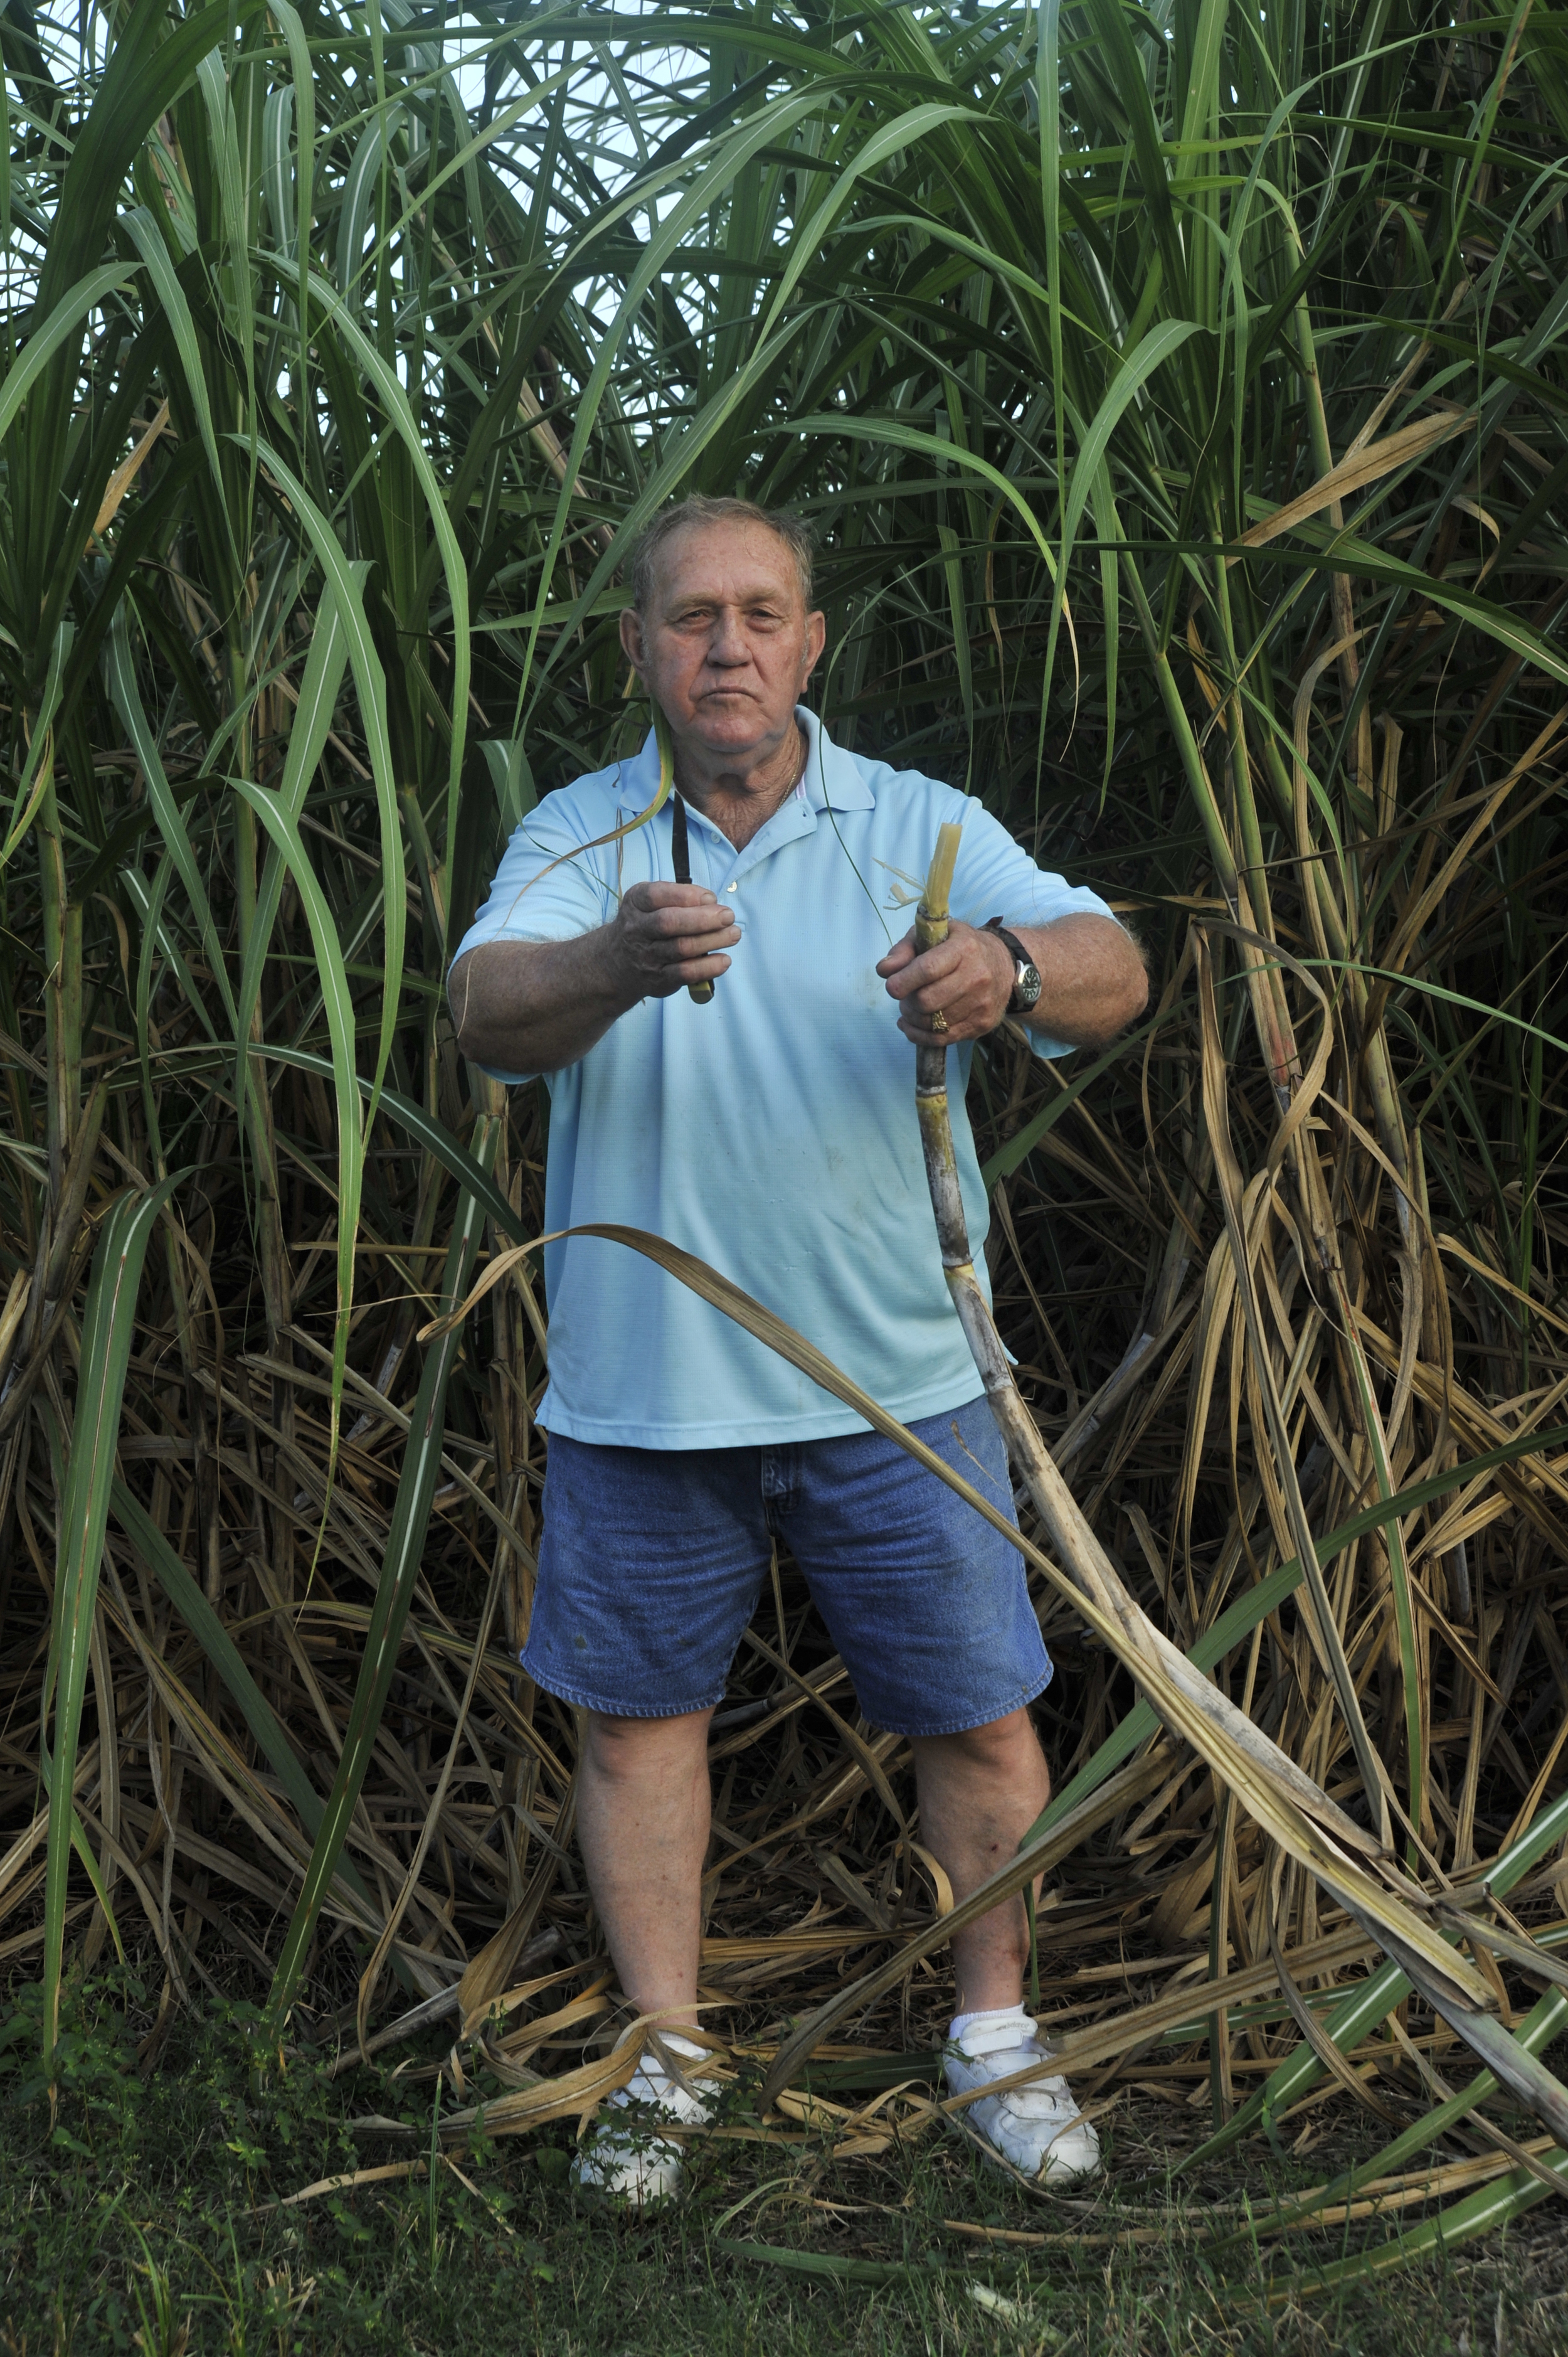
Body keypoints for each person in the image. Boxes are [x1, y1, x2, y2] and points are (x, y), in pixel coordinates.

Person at [448, 496, 1148, 2205]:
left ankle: (992, 2036)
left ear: (810, 643)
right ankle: (666, 2055)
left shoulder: (910, 825)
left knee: (978, 1717)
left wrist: (1005, 972)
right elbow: (480, 1014)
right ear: (637, 650)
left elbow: (1114, 965)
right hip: (642, 1394)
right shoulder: (582, 835)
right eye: (690, 618)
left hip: (897, 1386)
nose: (727, 646)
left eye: (761, 614)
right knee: (635, 1728)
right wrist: (614, 961)